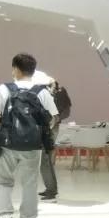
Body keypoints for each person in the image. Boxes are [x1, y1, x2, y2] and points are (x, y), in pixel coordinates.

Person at [0, 53, 58, 218]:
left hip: (7, 145)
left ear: (15, 69)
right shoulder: (42, 92)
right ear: (33, 71)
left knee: (3, 181)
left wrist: (5, 129)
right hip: (33, 147)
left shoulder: (4, 89)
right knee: (29, 184)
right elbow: (53, 118)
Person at [33, 73, 71, 203]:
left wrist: (53, 121)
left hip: (47, 128)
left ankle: (51, 190)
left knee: (44, 159)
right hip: (51, 127)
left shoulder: (47, 92)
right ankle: (51, 188)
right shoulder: (57, 91)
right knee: (46, 159)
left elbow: (63, 112)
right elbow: (66, 111)